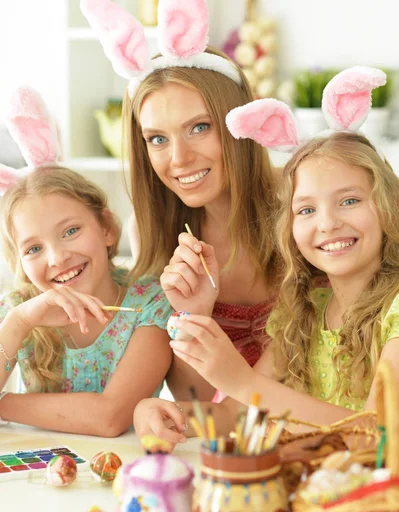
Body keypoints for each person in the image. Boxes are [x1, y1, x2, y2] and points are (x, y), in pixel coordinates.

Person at [149, 67, 399, 430]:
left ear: (387, 206)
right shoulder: (303, 312)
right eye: (307, 210)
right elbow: (233, 415)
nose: (327, 223)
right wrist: (163, 415)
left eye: (349, 201)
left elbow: (379, 434)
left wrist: (243, 382)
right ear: (290, 230)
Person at [81, 0, 281, 439]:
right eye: (157, 138)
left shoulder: (301, 207)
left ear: (237, 122)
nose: (179, 159)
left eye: (199, 127)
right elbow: (194, 401)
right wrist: (196, 316)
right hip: (229, 445)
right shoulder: (157, 233)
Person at [0, 87, 173, 437]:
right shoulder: (20, 308)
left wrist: (3, 405)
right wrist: (19, 323)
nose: (57, 257)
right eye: (34, 249)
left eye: (71, 231)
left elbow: (110, 418)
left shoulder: (151, 304)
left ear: (107, 228)